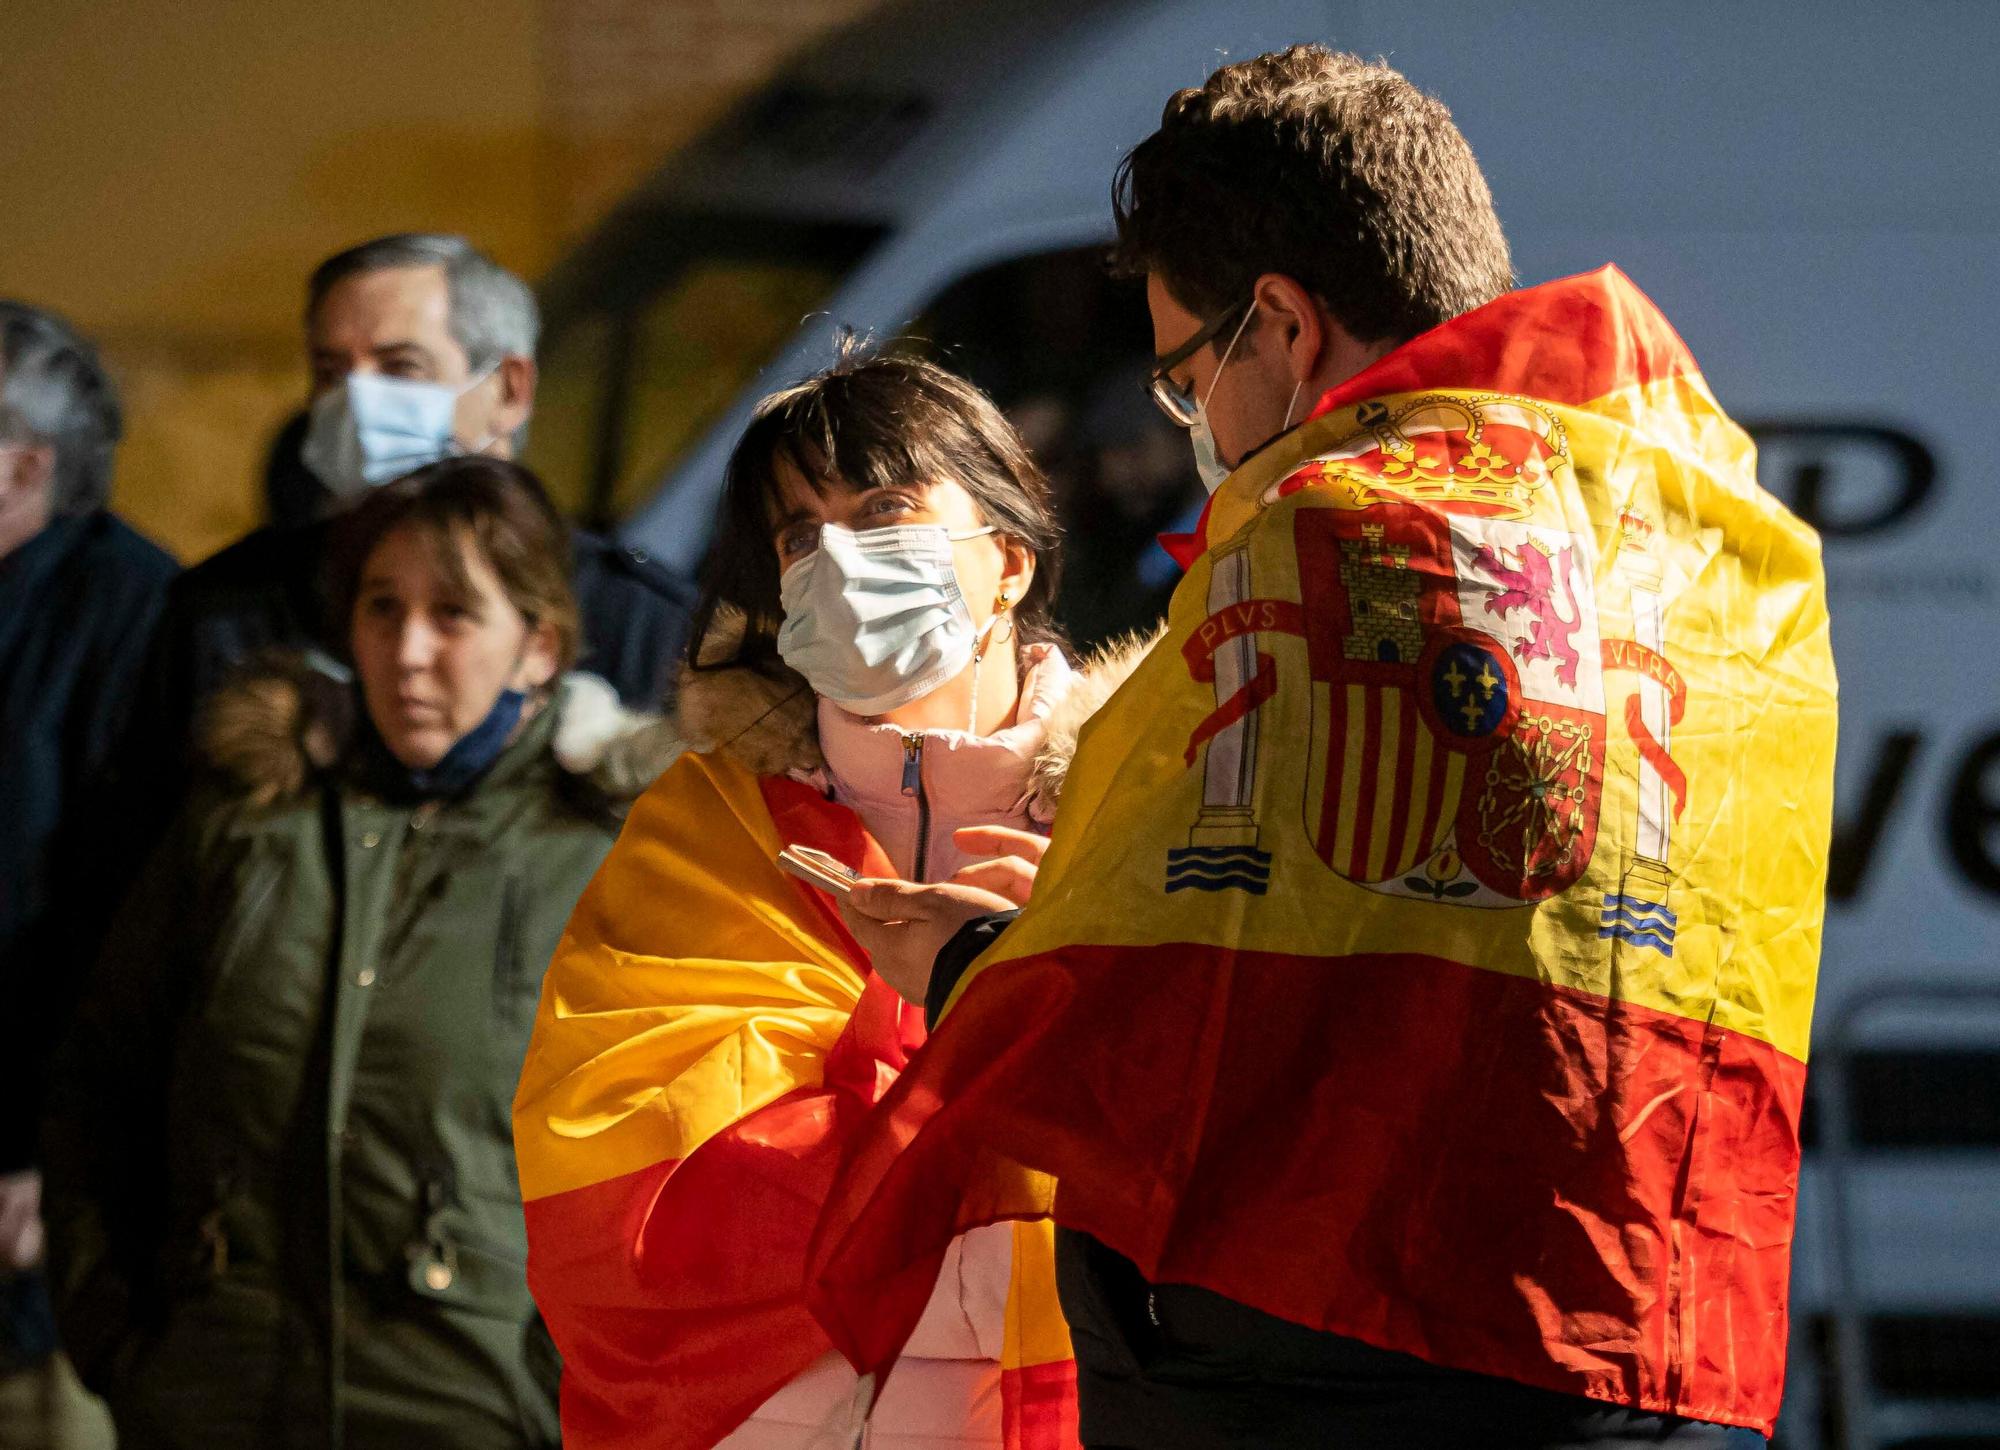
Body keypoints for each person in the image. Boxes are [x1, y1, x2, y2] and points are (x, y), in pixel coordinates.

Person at [804, 46, 1837, 1450]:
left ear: (1282, 324)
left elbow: (1178, 1004)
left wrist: (963, 960)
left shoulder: (1326, 541)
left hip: (1329, 1354)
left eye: (1187, 371)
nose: (1193, 420)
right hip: (1661, 1337)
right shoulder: (1708, 533)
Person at [512, 347, 1148, 1449]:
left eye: (886, 508)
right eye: (801, 534)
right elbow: (617, 1202)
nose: (841, 560)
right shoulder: (703, 831)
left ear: (1006, 558)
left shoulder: (1149, 810)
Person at [42, 456, 675, 1449]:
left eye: (454, 614)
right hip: (219, 1396)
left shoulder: (614, 850)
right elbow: (103, 1077)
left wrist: (557, 1391)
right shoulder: (249, 816)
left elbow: (684, 1162)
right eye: (382, 608)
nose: (408, 650)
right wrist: (124, 1339)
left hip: (477, 1408)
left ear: (538, 646)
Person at [122, 232, 696, 846]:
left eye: (401, 369)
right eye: (331, 371)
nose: (356, 403)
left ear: (509, 390)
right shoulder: (223, 612)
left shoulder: (639, 623)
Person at [0, 300, 173, 1450]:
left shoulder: (138, 611)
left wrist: (48, 1153)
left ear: (23, 465)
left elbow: (135, 919)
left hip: (37, 1211)